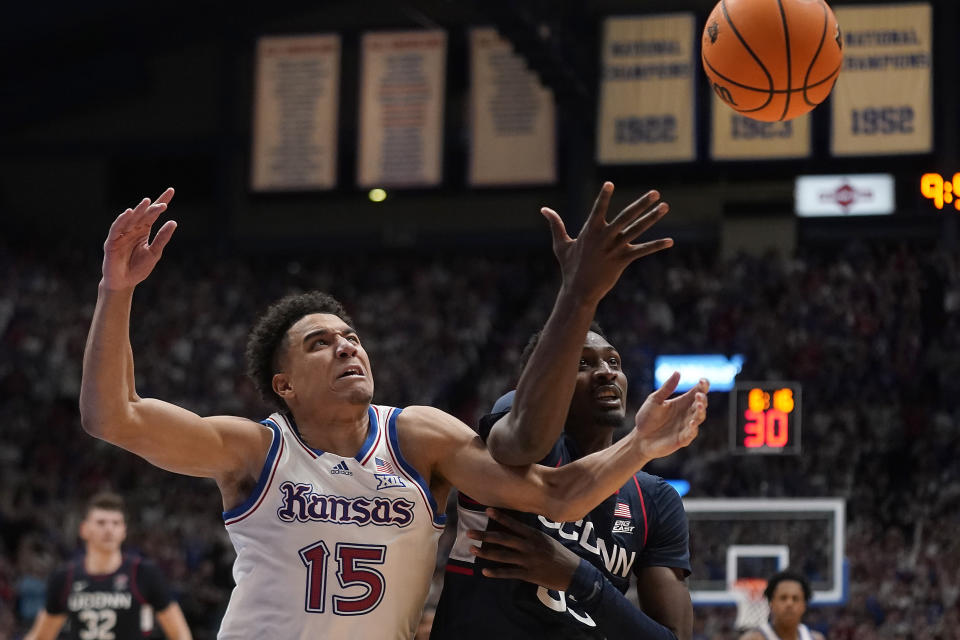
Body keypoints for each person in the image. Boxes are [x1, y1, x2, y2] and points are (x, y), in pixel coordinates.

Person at [79, 184, 707, 639]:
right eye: (319, 343)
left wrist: (642, 445)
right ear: (285, 384)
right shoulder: (254, 452)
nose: (345, 345)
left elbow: (556, 496)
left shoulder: (417, 436)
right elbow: (114, 416)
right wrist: (117, 289)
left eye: (349, 335)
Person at [431, 323, 704, 639]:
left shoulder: (655, 498)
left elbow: (674, 637)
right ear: (540, 385)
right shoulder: (516, 423)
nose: (606, 372)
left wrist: (580, 578)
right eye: (582, 363)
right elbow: (526, 437)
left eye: (613, 362)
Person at [24, 492, 191, 640]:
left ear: (124, 530)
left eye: (116, 523)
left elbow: (179, 633)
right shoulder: (64, 577)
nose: (109, 529)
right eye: (101, 522)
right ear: (84, 529)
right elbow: (41, 636)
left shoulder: (145, 573)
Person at [738, 571, 825, 640]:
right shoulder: (753, 638)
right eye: (783, 598)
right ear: (771, 603)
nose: (789, 604)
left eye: (795, 599)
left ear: (804, 605)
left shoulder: (816, 638)